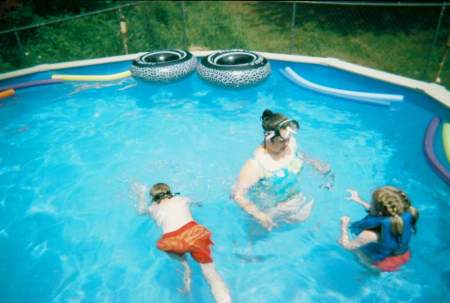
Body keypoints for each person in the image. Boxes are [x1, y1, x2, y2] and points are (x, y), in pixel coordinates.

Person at [231, 109, 331, 231]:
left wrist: (313, 162)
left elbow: (299, 154)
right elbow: (237, 194)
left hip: (297, 199)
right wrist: (259, 215)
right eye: (282, 141)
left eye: (289, 138)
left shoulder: (289, 142)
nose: (287, 143)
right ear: (268, 138)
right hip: (271, 209)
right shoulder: (255, 166)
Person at [134, 182, 231, 303]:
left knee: (182, 260)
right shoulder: (181, 198)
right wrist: (199, 204)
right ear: (170, 192)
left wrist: (140, 195)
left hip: (171, 241)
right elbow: (198, 203)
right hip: (193, 234)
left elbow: (140, 211)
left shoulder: (152, 208)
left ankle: (186, 271)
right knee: (210, 273)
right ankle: (225, 300)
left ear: (153, 198)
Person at [339, 186, 419, 271]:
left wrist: (343, 227)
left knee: (357, 252)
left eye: (372, 202)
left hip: (383, 264)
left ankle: (369, 274)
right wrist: (359, 200)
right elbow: (380, 213)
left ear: (379, 211)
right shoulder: (404, 216)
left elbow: (347, 247)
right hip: (404, 255)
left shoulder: (370, 234)